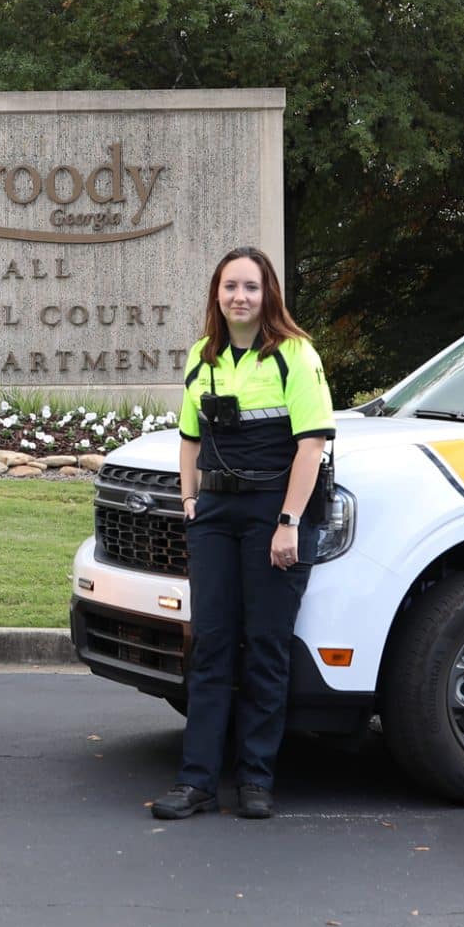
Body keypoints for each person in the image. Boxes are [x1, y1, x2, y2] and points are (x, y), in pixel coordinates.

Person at [149, 246, 334, 821]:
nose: (240, 297)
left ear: (267, 293)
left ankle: (255, 779)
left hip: (271, 517)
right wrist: (187, 499)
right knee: (210, 648)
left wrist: (288, 523)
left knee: (266, 649)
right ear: (217, 295)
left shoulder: (295, 357)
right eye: (230, 287)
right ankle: (198, 781)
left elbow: (312, 444)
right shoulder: (202, 358)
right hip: (215, 517)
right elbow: (189, 437)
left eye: (250, 287)